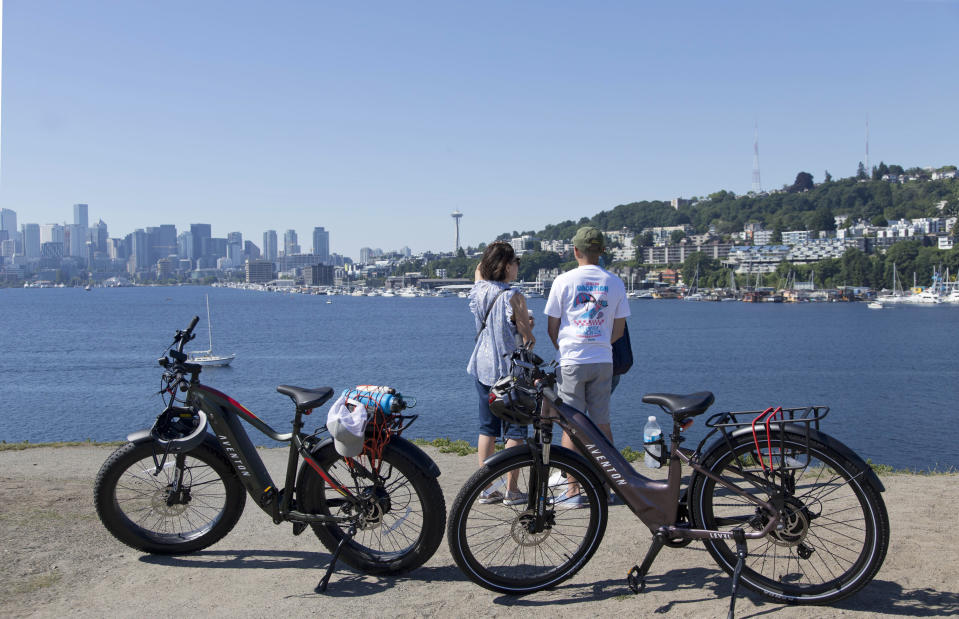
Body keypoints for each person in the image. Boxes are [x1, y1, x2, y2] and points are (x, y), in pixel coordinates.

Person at [544, 226, 629, 507]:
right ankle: (606, 488)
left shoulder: (563, 281)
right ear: (602, 251)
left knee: (571, 426)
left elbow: (552, 326)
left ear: (575, 251)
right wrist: (598, 339)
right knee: (601, 424)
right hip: (603, 359)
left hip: (572, 360)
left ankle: (573, 491)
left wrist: (566, 346)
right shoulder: (615, 282)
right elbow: (618, 330)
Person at [467, 241, 535, 504]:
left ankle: (485, 489)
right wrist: (529, 325)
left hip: (482, 368)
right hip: (510, 373)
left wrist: (491, 250)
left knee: (488, 429)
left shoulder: (479, 290)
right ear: (507, 266)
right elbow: (527, 339)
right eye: (516, 262)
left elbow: (478, 270)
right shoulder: (514, 296)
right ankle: (512, 490)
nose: (517, 267)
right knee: (515, 432)